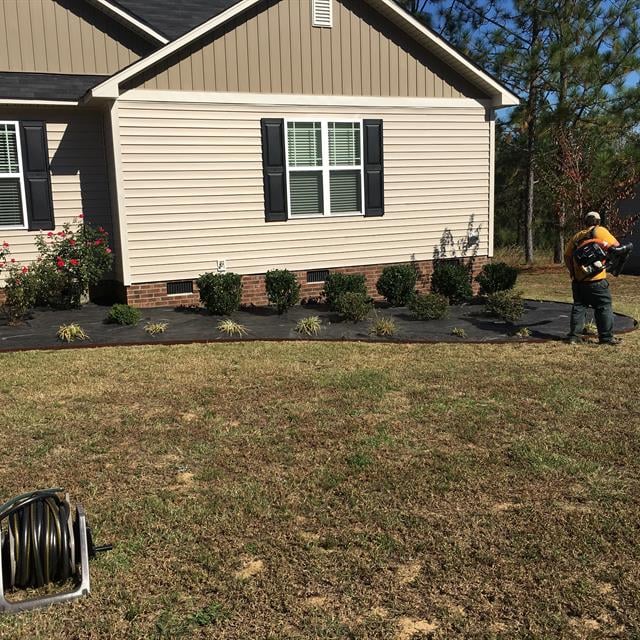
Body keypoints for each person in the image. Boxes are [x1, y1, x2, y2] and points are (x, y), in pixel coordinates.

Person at [564, 211, 621, 345]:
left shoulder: (578, 236)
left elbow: (567, 256)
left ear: (585, 222)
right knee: (603, 306)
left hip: (578, 281)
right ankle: (606, 338)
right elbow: (617, 246)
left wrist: (573, 272)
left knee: (579, 307)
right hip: (597, 280)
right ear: (598, 221)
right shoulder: (600, 231)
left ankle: (574, 337)